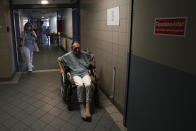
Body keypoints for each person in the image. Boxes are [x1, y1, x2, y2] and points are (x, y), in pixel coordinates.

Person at [57, 41, 95, 121]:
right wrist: (61, 69)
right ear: (72, 48)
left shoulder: (83, 53)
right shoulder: (68, 55)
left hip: (85, 72)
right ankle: (82, 106)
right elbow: (58, 59)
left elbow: (92, 56)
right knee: (80, 86)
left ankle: (87, 107)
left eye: (78, 48)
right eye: (75, 48)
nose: (77, 50)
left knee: (88, 85)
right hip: (75, 74)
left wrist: (93, 64)